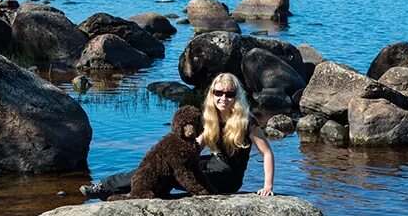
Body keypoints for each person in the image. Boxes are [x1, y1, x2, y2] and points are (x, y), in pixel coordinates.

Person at [81, 72, 275, 198]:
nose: (223, 98)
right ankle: (105, 187)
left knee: (174, 173)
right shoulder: (210, 118)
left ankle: (113, 190)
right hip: (211, 164)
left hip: (227, 178)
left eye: (229, 94)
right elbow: (197, 146)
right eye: (218, 93)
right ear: (212, 94)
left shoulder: (245, 121)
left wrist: (267, 186)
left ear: (236, 97)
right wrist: (171, 155)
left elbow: (266, 153)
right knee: (157, 166)